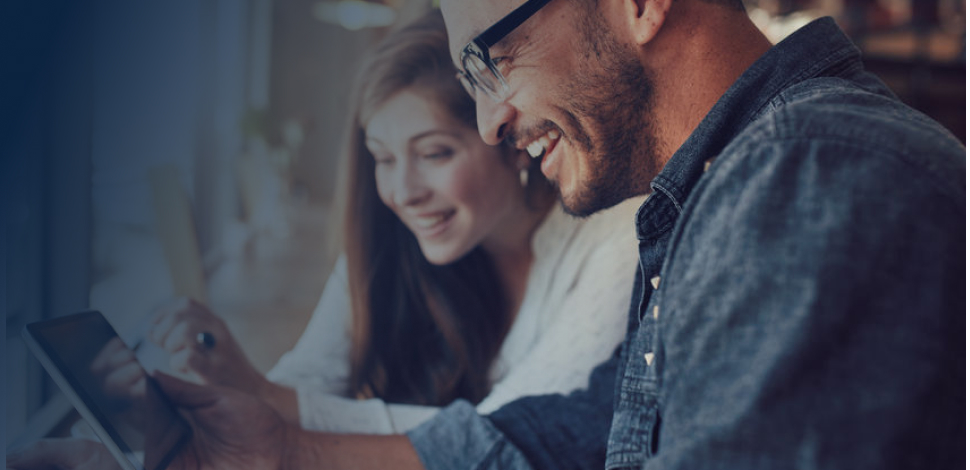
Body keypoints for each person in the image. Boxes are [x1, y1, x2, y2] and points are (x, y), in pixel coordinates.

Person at [9, 0, 964, 469]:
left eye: (494, 59)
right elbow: (562, 437)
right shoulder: (722, 198)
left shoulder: (808, 179)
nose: (494, 120)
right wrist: (276, 449)